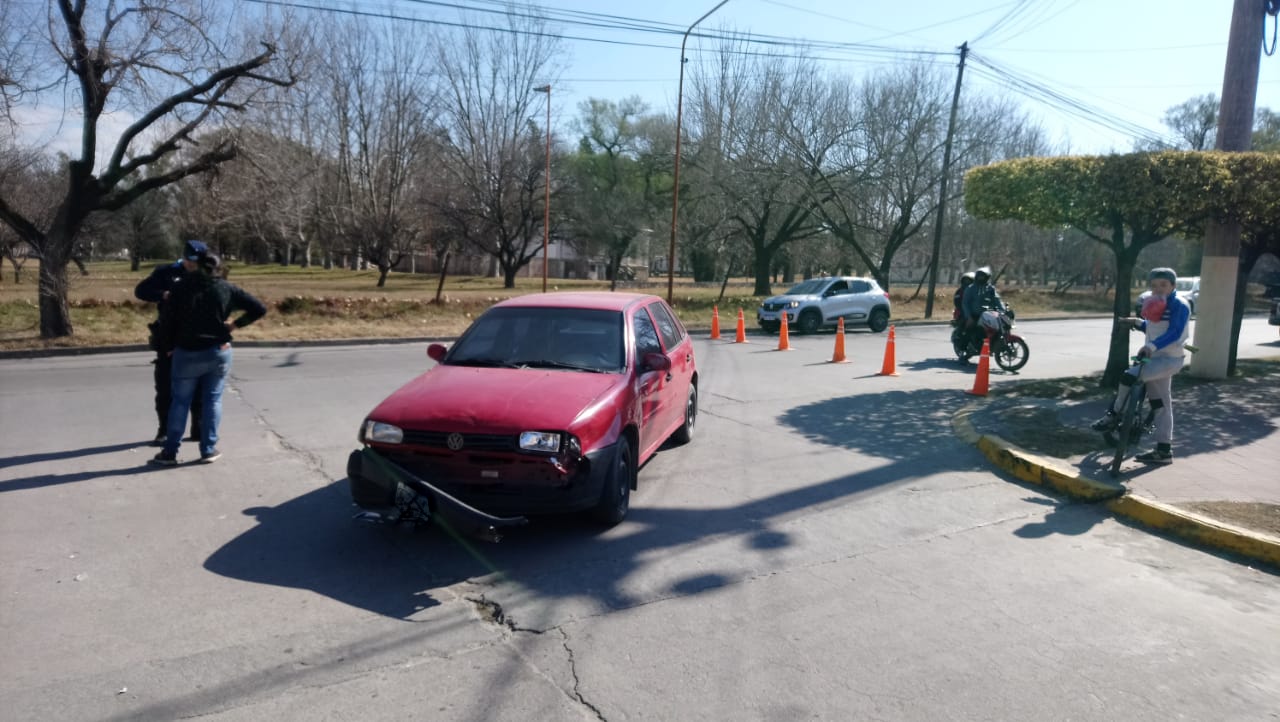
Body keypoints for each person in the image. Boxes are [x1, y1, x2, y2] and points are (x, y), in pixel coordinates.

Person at [149, 252, 267, 466]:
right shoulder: (226, 288)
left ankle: (170, 452)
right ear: (217, 268)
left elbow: (166, 321)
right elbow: (259, 308)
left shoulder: (180, 288)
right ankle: (208, 449)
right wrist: (234, 325)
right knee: (212, 400)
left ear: (196, 267)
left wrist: (168, 347)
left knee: (180, 401)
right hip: (218, 351)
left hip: (186, 351)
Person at [1090, 267, 1190, 464]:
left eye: (1163, 285)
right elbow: (1154, 327)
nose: (1158, 289)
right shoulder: (1155, 302)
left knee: (1129, 376)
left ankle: (1112, 415)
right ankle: (1163, 451)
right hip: (1155, 360)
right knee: (1161, 406)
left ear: (1173, 285)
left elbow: (1175, 332)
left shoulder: (1180, 304)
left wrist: (1151, 346)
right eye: (1154, 285)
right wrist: (1137, 322)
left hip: (1168, 360)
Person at [134, 240, 206, 444]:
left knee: (198, 388)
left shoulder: (208, 273)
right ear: (184, 257)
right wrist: (162, 294)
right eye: (191, 261)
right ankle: (164, 430)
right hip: (169, 336)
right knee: (165, 387)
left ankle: (198, 429)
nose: (194, 265)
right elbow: (140, 291)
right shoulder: (166, 272)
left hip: (197, 336)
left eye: (198, 261)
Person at [961, 266, 1006, 351]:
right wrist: (969, 316)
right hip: (974, 314)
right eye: (979, 276)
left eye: (983, 276)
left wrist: (1003, 310)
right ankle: (964, 349)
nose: (981, 278)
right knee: (969, 328)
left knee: (998, 326)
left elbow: (997, 300)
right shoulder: (970, 288)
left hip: (988, 314)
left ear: (987, 277)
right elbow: (965, 303)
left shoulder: (990, 288)